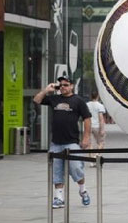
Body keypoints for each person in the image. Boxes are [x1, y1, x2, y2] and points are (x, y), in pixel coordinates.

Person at [33, 76, 92, 209]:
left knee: (76, 167)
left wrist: (86, 138)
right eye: (60, 85)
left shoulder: (78, 101)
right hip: (56, 142)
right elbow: (36, 100)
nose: (63, 87)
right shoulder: (55, 99)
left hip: (71, 141)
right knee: (57, 170)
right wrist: (46, 90)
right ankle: (59, 198)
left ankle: (83, 190)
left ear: (71, 86)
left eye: (65, 85)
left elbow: (87, 119)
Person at [86, 91, 106, 167]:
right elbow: (101, 118)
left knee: (90, 144)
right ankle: (96, 156)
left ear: (91, 96)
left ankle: (91, 161)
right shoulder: (100, 106)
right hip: (97, 126)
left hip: (88, 126)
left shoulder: (86, 105)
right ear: (98, 96)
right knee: (101, 143)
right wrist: (102, 129)